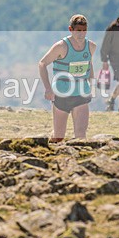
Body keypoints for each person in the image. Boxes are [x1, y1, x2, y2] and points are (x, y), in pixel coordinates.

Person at [38, 14, 96, 142]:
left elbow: (89, 64)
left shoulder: (91, 46)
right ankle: (50, 139)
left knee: (81, 136)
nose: (81, 34)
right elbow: (42, 64)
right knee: (59, 137)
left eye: (84, 30)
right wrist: (48, 89)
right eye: (78, 30)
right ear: (71, 29)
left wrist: (92, 83)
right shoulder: (61, 46)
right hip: (62, 93)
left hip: (81, 93)